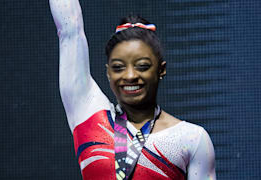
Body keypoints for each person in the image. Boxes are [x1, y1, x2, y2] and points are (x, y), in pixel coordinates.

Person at [50, 0, 216, 179]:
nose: (130, 76)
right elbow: (69, 30)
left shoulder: (191, 139)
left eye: (142, 66)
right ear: (108, 72)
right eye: (119, 67)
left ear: (161, 69)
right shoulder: (87, 113)